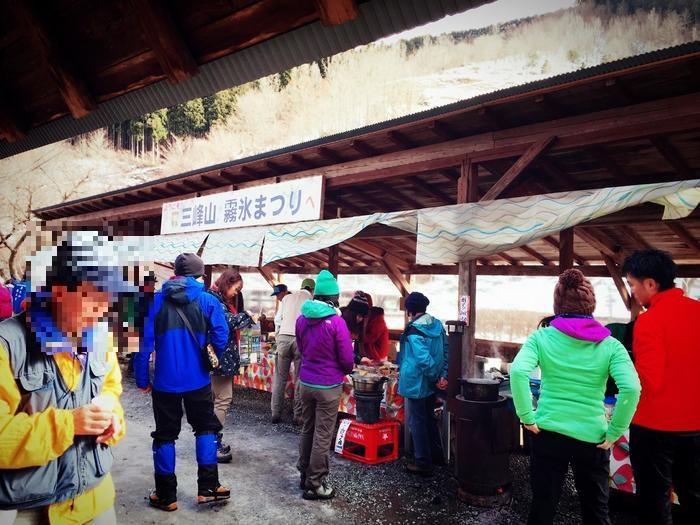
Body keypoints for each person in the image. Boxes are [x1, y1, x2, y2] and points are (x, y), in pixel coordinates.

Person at [0, 231, 129, 525]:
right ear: (59, 290)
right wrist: (70, 424)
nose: (102, 310)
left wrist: (112, 419)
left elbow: (110, 391)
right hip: (31, 509)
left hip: (95, 498)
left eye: (107, 299)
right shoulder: (7, 344)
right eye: (92, 297)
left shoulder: (100, 339)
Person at [510, 269, 641, 525]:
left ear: (557, 304)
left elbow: (517, 372)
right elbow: (632, 388)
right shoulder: (610, 344)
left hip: (548, 432)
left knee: (543, 507)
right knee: (596, 512)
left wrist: (527, 417)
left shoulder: (541, 337)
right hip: (593, 438)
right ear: (590, 305)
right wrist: (615, 431)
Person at [133, 253, 230, 511]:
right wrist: (212, 357)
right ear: (198, 276)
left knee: (165, 435)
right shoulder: (207, 300)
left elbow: (142, 346)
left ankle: (166, 496)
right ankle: (208, 488)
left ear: (175, 274)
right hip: (198, 380)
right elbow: (222, 333)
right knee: (205, 429)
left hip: (165, 384)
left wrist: (142, 379)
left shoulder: (155, 302)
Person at [621, 249, 700, 524]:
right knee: (694, 496)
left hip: (655, 427)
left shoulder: (649, 321)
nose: (632, 291)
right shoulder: (697, 311)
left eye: (632, 284)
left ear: (650, 284)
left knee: (655, 502)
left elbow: (649, 380)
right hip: (695, 426)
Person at [296, 270, 353, 500]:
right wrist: (344, 370)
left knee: (307, 429)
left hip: (305, 383)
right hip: (328, 386)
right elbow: (347, 359)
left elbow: (301, 348)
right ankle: (315, 483)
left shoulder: (301, 319)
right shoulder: (336, 323)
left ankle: (304, 476)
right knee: (322, 434)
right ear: (333, 298)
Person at [398, 291, 449, 477]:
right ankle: (437, 456)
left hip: (416, 382)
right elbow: (446, 351)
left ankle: (423, 462)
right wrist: (443, 375)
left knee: (417, 421)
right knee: (428, 418)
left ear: (410, 310)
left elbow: (422, 359)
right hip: (431, 382)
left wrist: (435, 376)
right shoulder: (437, 325)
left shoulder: (414, 330)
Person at [206, 270, 254, 462]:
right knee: (223, 399)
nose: (237, 292)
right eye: (237, 288)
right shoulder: (215, 300)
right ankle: (212, 444)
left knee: (215, 399)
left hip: (217, 358)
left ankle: (208, 441)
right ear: (228, 283)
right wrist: (247, 316)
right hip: (219, 359)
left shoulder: (213, 296)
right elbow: (226, 322)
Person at [271, 277, 315, 425]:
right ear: (312, 290)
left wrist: (279, 335)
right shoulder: (311, 300)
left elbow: (278, 319)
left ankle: (275, 413)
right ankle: (297, 416)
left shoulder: (287, 298)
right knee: (299, 378)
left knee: (280, 377)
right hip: (299, 339)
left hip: (283, 337)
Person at [341, 291, 370, 365]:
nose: (361, 319)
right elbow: (341, 349)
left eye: (363, 317)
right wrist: (357, 359)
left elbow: (354, 351)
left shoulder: (356, 327)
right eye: (359, 316)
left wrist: (359, 359)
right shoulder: (341, 324)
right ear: (352, 313)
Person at [362, 292, 390, 363]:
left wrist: (356, 335)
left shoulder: (377, 319)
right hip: (369, 355)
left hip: (378, 357)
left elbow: (369, 338)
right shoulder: (366, 317)